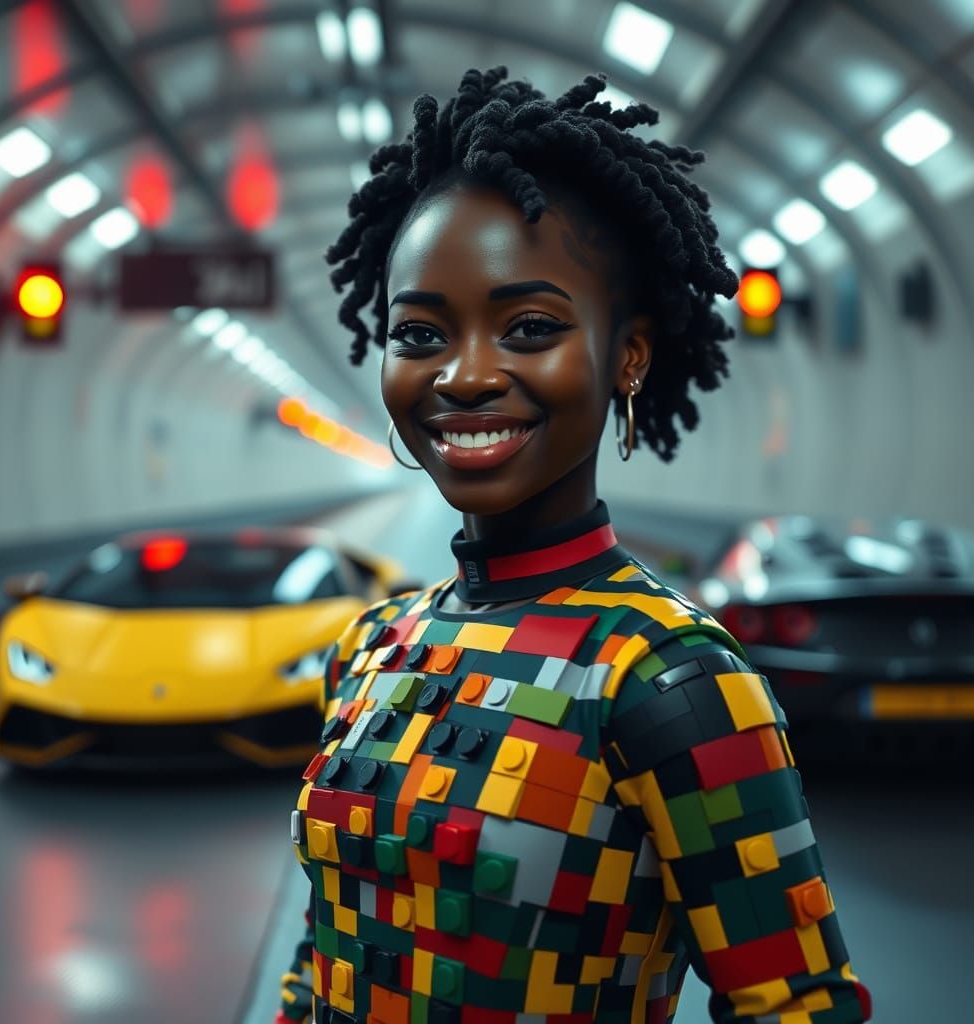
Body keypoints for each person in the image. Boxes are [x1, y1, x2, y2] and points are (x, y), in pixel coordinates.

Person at [276, 67, 871, 1024]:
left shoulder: (669, 680)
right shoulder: (372, 648)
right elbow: (325, 955)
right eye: (420, 333)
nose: (465, 376)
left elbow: (796, 1007)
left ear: (627, 355)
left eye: (530, 327)